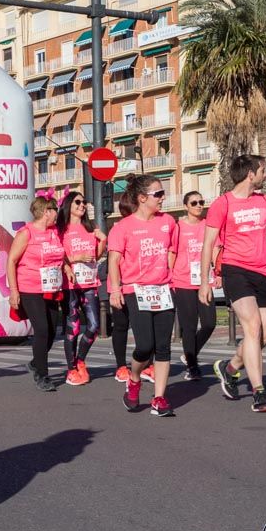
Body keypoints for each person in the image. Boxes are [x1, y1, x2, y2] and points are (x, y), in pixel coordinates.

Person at [200, 155, 266, 413]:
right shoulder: (221, 204)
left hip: (264, 272)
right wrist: (205, 281)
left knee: (264, 336)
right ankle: (259, 393)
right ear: (250, 174)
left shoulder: (264, 201)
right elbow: (207, 245)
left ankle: (231, 367)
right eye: (262, 171)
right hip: (236, 270)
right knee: (253, 327)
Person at [107, 175, 178, 416]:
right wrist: (115, 289)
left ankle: (159, 398)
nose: (162, 198)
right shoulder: (123, 227)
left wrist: (171, 275)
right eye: (158, 194)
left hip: (163, 290)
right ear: (142, 198)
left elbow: (172, 250)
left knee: (163, 347)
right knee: (145, 346)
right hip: (135, 290)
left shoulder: (168, 221)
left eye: (162, 193)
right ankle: (134, 377)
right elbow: (114, 260)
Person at [7, 196, 66, 391]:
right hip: (30, 288)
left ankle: (34, 363)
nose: (57, 213)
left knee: (50, 331)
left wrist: (68, 269)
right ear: (46, 212)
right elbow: (11, 261)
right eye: (54, 209)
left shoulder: (55, 232)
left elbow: (59, 257)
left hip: (51, 288)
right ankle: (42, 375)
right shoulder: (26, 233)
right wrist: (14, 291)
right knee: (41, 329)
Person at [56, 191, 105, 386]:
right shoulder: (61, 230)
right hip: (71, 284)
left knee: (93, 326)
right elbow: (57, 256)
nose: (82, 205)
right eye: (78, 202)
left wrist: (103, 240)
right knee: (73, 328)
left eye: (84, 202)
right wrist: (76, 259)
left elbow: (96, 255)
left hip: (90, 283)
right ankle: (71, 369)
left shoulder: (90, 227)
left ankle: (81, 360)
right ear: (69, 204)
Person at [170, 191, 218, 380]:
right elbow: (172, 253)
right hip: (182, 281)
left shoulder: (209, 225)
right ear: (186, 206)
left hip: (204, 281)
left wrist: (218, 272)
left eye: (201, 202)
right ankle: (192, 366)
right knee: (188, 326)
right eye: (194, 202)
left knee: (209, 323)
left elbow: (215, 248)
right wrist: (169, 277)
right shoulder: (178, 227)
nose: (199, 205)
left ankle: (189, 353)